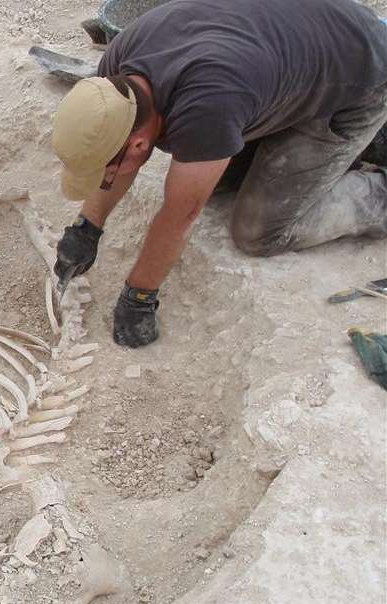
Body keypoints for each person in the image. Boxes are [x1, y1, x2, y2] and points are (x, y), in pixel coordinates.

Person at [49, 0, 387, 348]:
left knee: (260, 230)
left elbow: (182, 213)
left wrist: (140, 295)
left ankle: (377, 193)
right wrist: (88, 227)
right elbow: (119, 159)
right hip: (290, 54)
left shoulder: (207, 105)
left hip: (359, 78)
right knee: (215, 182)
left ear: (137, 145)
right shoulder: (117, 73)